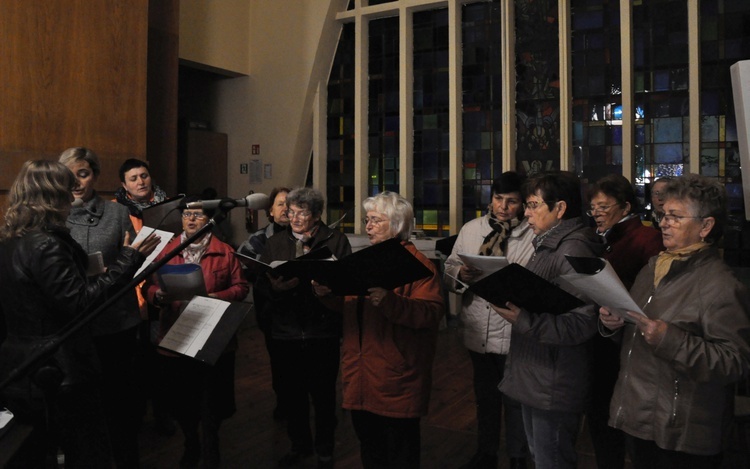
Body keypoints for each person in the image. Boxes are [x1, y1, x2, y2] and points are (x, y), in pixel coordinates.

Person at [0, 160, 159, 468]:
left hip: (21, 365)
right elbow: (81, 302)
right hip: (58, 367)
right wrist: (130, 258)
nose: (72, 196)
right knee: (85, 453)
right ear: (52, 195)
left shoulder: (10, 239)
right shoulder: (45, 243)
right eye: (66, 189)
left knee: (35, 452)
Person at [599, 174, 750, 468]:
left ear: (706, 226)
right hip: (637, 418)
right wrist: (613, 324)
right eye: (663, 215)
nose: (664, 223)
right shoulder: (653, 266)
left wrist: (671, 340)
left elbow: (735, 362)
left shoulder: (721, 284)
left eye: (676, 217)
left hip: (681, 431)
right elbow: (636, 331)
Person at [312, 191, 444, 468]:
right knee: (371, 452)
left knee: (400, 455)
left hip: (396, 377)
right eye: (367, 220)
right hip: (361, 373)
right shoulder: (366, 259)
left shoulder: (420, 265)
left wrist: (392, 302)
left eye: (375, 220)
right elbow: (352, 307)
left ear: (396, 225)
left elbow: (430, 314)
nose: (367, 226)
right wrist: (327, 294)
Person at [490, 171, 606, 469]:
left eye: (532, 205)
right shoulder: (549, 242)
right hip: (538, 371)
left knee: (551, 459)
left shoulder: (573, 248)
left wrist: (524, 319)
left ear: (561, 209)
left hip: (553, 378)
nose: (525, 213)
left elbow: (583, 322)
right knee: (540, 454)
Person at [144, 196, 249, 468]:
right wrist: (159, 296)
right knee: (182, 401)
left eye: (198, 215)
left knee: (212, 402)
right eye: (186, 215)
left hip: (213, 335)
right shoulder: (166, 250)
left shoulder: (224, 251)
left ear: (210, 220)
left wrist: (216, 295)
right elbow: (149, 286)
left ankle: (211, 451)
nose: (190, 220)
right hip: (177, 332)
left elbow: (241, 288)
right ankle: (191, 440)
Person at [254, 187, 352, 468]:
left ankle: (324, 447)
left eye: (303, 213)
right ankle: (299, 445)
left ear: (318, 215)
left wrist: (328, 290)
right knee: (292, 395)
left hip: (322, 330)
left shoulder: (336, 241)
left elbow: (347, 284)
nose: (295, 218)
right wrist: (276, 288)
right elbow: (262, 285)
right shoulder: (275, 243)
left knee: (323, 395)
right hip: (286, 330)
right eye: (291, 212)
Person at [59, 147, 143, 467]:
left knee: (119, 403)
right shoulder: (57, 214)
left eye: (83, 173)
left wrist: (118, 268)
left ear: (94, 174)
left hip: (117, 320)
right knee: (82, 407)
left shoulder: (117, 213)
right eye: (70, 175)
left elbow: (136, 257)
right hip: (77, 322)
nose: (77, 182)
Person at [443, 172, 534, 469]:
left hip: (512, 328)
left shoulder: (532, 233)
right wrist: (460, 274)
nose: (503, 207)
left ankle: (519, 455)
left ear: (522, 205)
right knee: (485, 397)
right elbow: (450, 266)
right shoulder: (472, 229)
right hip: (477, 326)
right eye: (498, 199)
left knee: (516, 399)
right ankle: (487, 451)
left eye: (511, 202)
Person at [584, 173, 664, 469]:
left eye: (603, 207)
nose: (596, 214)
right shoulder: (600, 239)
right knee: (601, 415)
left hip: (631, 344)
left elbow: (656, 295)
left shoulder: (646, 239)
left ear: (626, 207)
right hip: (602, 338)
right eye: (593, 208)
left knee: (623, 426)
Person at [112, 157, 174, 435]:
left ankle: (164, 417)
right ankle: (135, 420)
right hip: (131, 293)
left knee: (162, 362)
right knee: (134, 365)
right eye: (134, 178)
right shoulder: (115, 212)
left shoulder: (170, 205)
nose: (141, 182)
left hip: (164, 286)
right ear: (124, 185)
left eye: (144, 176)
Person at [237, 186, 291, 419]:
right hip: (271, 310)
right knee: (278, 361)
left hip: (298, 312)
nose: (286, 209)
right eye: (280, 204)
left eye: (290, 204)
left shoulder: (305, 236)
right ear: (270, 211)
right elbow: (242, 265)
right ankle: (283, 401)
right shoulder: (259, 239)